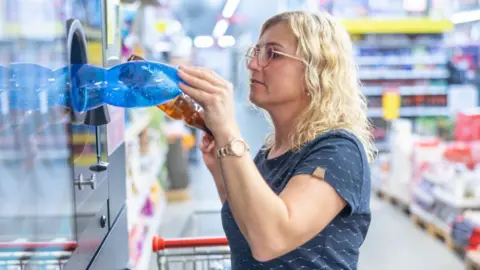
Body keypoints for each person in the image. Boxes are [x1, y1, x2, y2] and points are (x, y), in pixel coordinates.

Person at [177, 10, 376, 270]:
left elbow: (271, 239)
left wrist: (228, 132)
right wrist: (221, 169)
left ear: (316, 69)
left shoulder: (339, 151)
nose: (253, 64)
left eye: (273, 53)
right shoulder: (272, 151)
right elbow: (248, 221)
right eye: (256, 52)